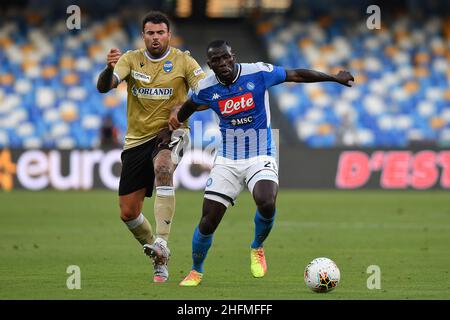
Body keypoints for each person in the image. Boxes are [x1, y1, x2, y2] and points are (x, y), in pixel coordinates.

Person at [168, 40, 354, 286]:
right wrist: (174, 123)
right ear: (210, 64)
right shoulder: (206, 87)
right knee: (208, 220)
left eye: (226, 57)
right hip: (227, 158)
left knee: (266, 201)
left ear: (233, 55)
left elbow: (295, 74)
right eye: (216, 61)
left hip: (260, 152)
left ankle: (257, 247)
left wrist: (333, 77)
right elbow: (190, 106)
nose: (223, 64)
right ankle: (196, 270)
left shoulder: (257, 72)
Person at [96, 11, 205, 282]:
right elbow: (105, 86)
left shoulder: (184, 61)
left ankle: (163, 242)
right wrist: (109, 69)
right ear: (143, 35)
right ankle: (159, 258)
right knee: (128, 213)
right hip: (136, 140)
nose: (155, 38)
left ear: (168, 34)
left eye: (160, 33)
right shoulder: (131, 59)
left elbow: (207, 94)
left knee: (164, 166)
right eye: (150, 33)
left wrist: (184, 107)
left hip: (172, 132)